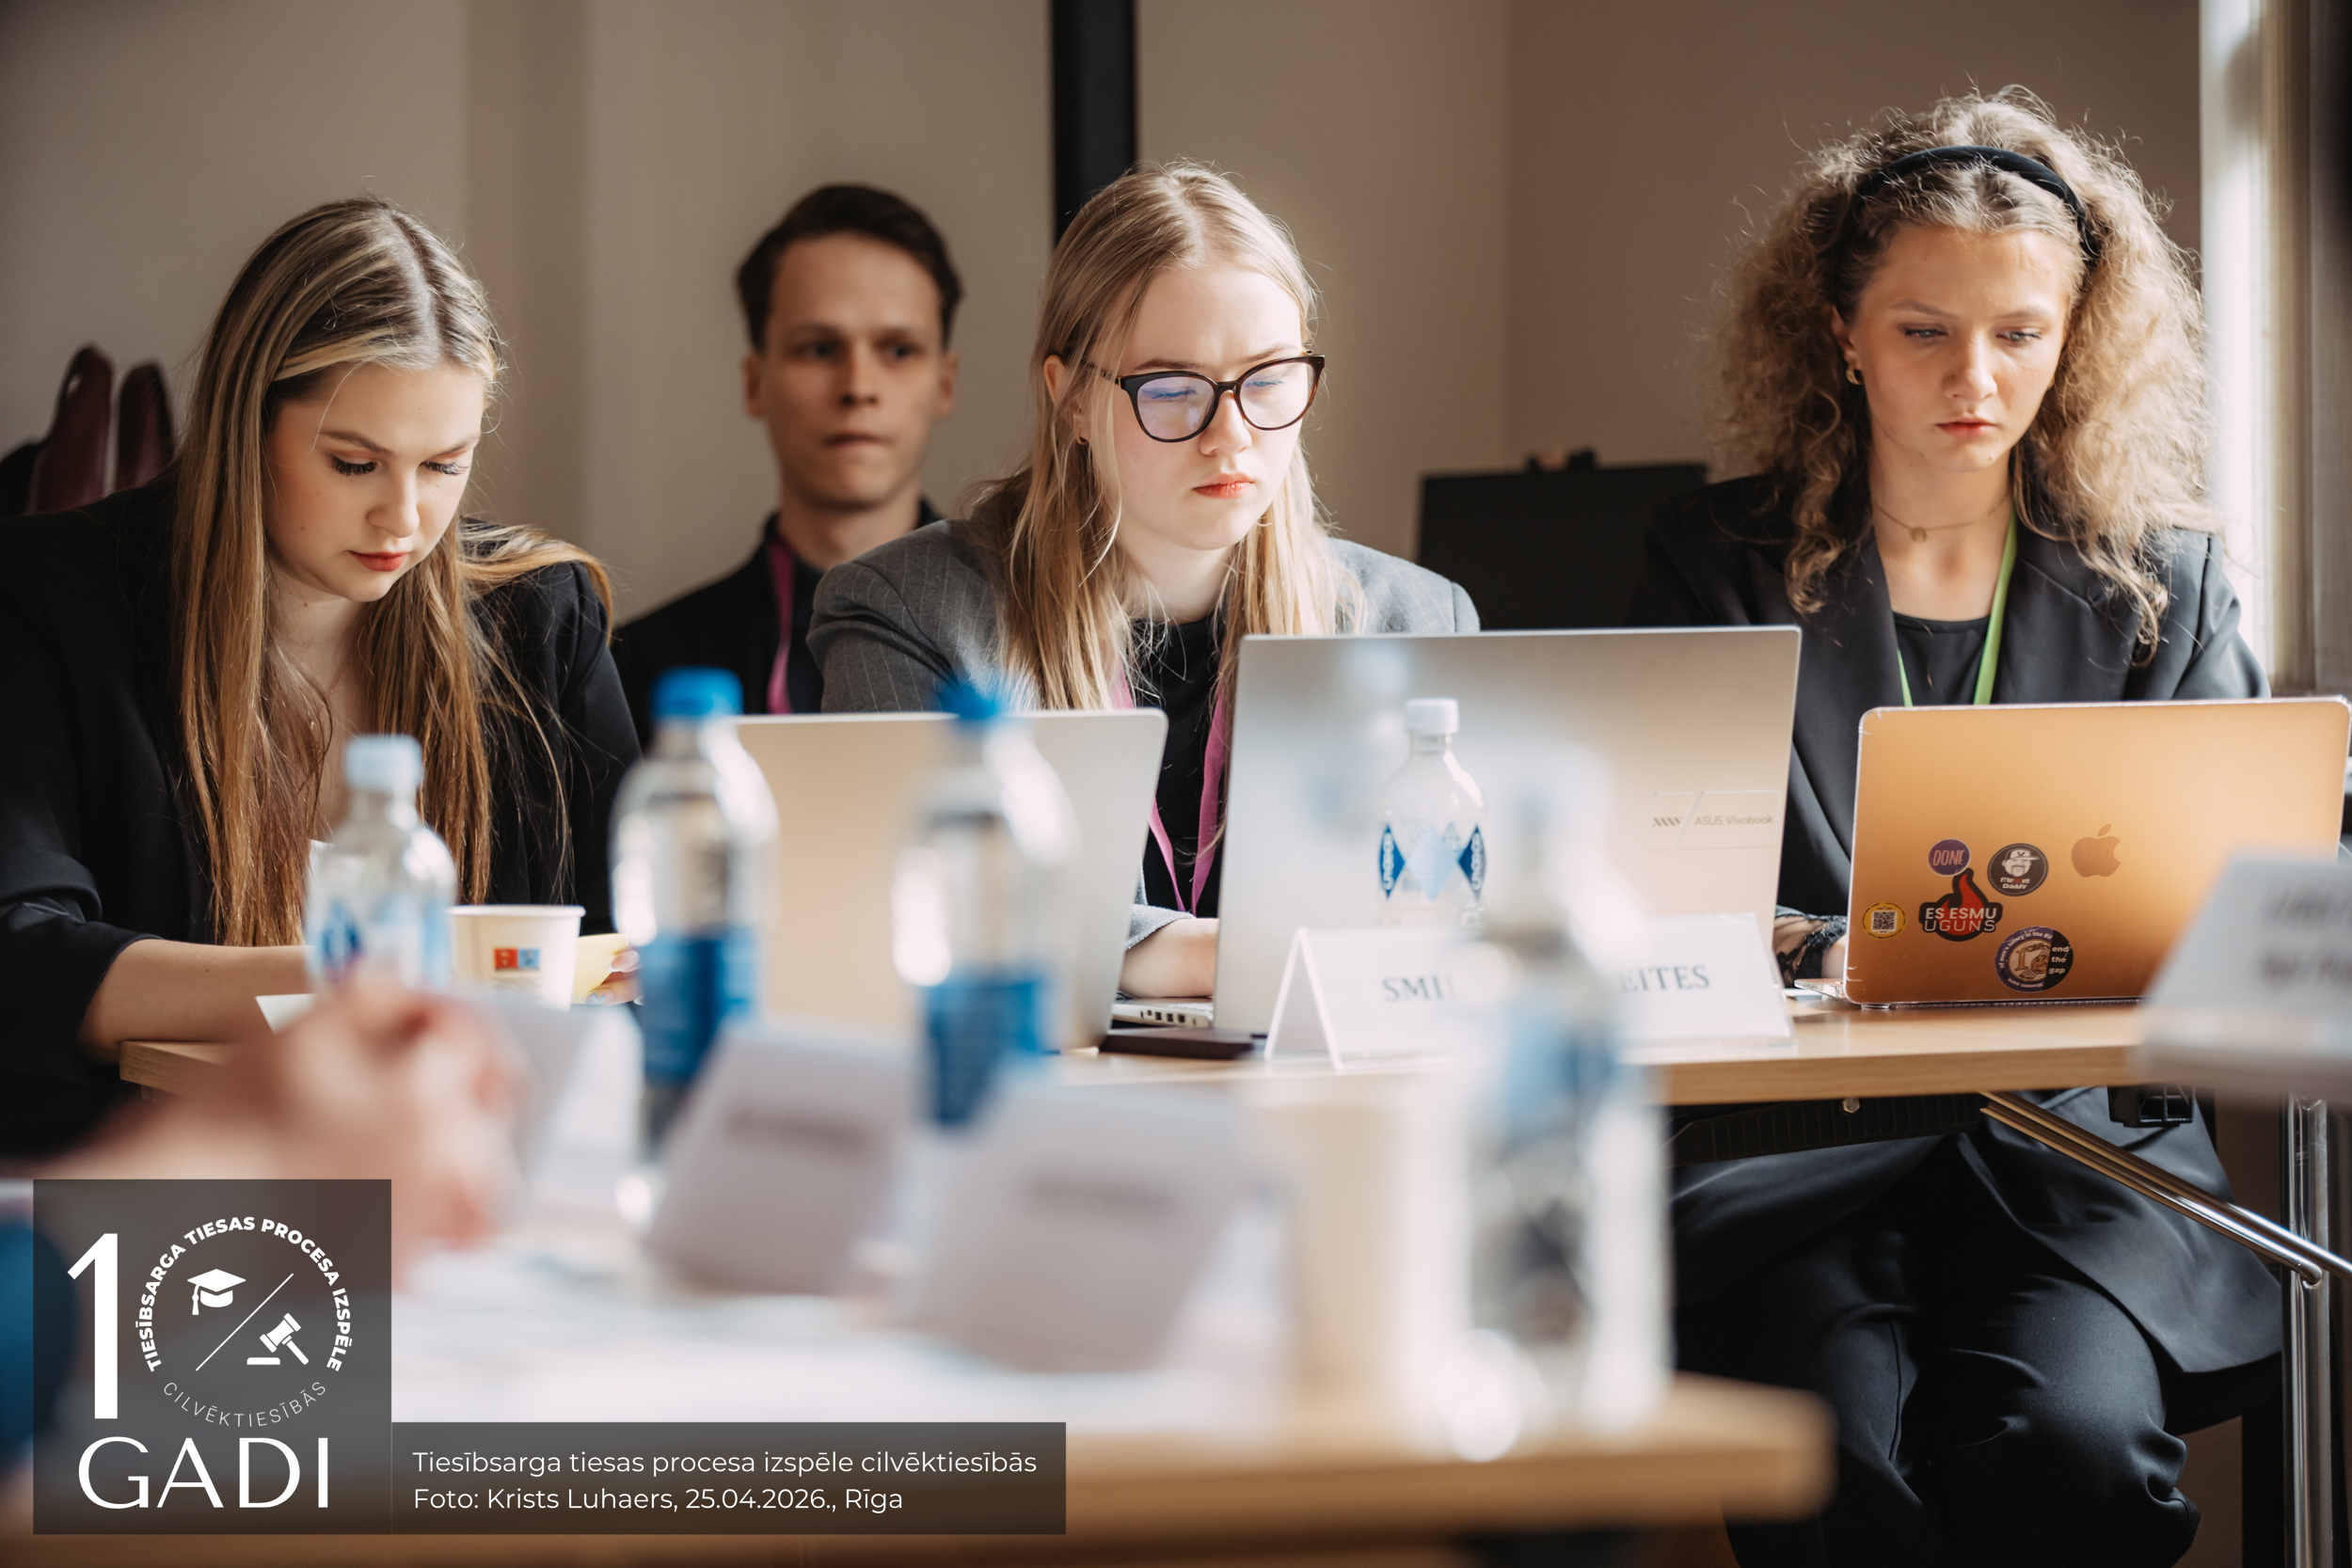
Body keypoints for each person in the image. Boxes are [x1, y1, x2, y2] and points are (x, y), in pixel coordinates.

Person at [1628, 91, 2273, 1566]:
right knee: (1837, 1466)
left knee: (2077, 1455)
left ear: (2077, 337)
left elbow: (2241, 892)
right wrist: (1810, 938)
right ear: (1840, 330)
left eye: (2019, 333)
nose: (1973, 376)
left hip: (2076, 1158)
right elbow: (1649, 881)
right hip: (1795, 1155)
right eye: (1923, 330)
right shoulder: (1711, 560)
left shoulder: (2164, 586)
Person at [0, 195, 638, 1157]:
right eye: (354, 463)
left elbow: (637, 945)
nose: (403, 520)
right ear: (244, 425)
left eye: (443, 466)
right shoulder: (49, 596)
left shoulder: (537, 617)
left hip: (477, 1186)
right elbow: (20, 955)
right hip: (161, 1186)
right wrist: (359, 991)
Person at [809, 164, 1477, 998]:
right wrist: (1199, 954)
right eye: (1171, 391)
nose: (1230, 435)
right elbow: (909, 909)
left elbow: (1456, 914)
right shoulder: (910, 610)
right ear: (1072, 403)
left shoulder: (1413, 618)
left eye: (1267, 381)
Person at [611, 185, 961, 744]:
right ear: (755, 384)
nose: (858, 388)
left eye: (898, 350)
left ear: (944, 383)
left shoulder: (1032, 642)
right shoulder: (634, 673)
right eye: (819, 349)